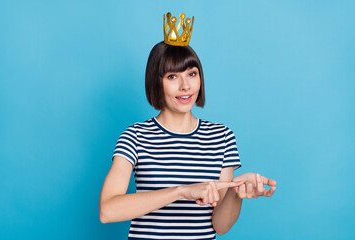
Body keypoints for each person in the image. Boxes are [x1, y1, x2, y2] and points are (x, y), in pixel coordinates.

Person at [99, 12, 277, 240]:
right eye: (172, 76)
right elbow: (107, 210)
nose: (185, 86)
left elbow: (220, 227)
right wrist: (181, 191)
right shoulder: (135, 137)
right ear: (157, 82)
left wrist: (235, 192)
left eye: (192, 74)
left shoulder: (222, 137)